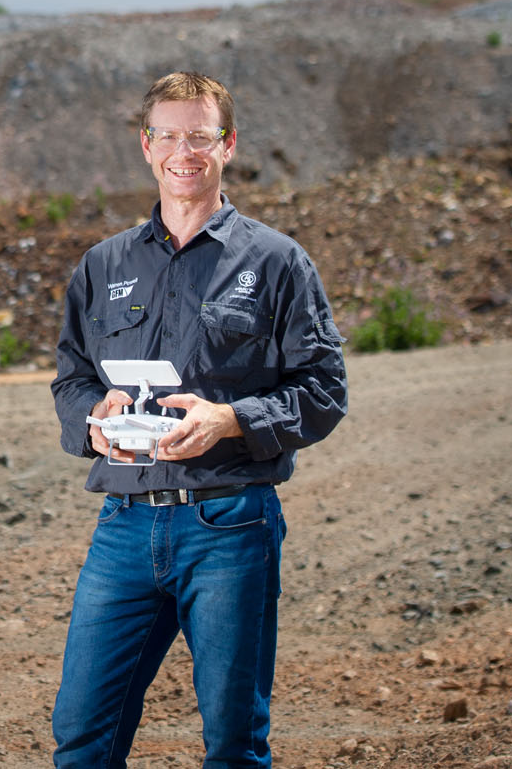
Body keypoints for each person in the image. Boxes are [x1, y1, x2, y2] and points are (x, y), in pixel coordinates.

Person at [49, 71, 348, 768]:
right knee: (82, 737)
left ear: (228, 144)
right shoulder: (103, 264)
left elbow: (325, 389)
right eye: (171, 136)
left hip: (230, 525)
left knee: (233, 744)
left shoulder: (277, 263)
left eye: (202, 137)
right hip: (122, 527)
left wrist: (231, 419)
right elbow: (71, 376)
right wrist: (91, 420)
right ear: (146, 146)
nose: (186, 151)